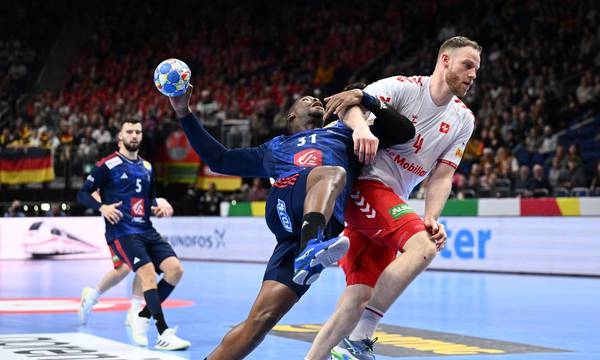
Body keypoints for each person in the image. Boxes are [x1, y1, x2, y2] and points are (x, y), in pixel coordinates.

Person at [167, 83, 414, 359]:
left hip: (311, 232)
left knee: (259, 322)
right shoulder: (274, 148)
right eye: (306, 99)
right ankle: (311, 249)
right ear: (291, 117)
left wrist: (364, 99)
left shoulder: (346, 133)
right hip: (287, 205)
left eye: (316, 97)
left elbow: (405, 132)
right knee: (331, 173)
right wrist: (183, 112)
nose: (314, 99)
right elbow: (220, 160)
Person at [305, 35, 480, 360]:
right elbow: (351, 103)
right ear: (444, 60)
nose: (472, 75)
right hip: (364, 188)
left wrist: (432, 216)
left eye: (476, 70)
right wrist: (360, 129)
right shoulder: (404, 87)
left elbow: (442, 175)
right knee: (424, 248)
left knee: (358, 296)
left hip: (390, 202)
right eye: (467, 65)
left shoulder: (463, 119)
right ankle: (359, 339)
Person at [77, 119, 190, 350]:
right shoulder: (107, 165)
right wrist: (103, 207)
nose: (134, 135)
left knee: (176, 270)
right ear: (120, 137)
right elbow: (82, 194)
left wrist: (159, 206)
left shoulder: (147, 167)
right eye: (129, 131)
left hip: (146, 229)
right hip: (122, 231)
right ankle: (162, 331)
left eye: (138, 131)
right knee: (143, 272)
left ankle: (141, 314)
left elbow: (149, 201)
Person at [78, 193, 175, 326]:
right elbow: (92, 192)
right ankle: (91, 297)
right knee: (123, 268)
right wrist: (104, 205)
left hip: (138, 230)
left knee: (146, 265)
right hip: (118, 229)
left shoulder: (143, 173)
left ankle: (134, 311)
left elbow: (148, 195)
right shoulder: (107, 174)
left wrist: (162, 202)